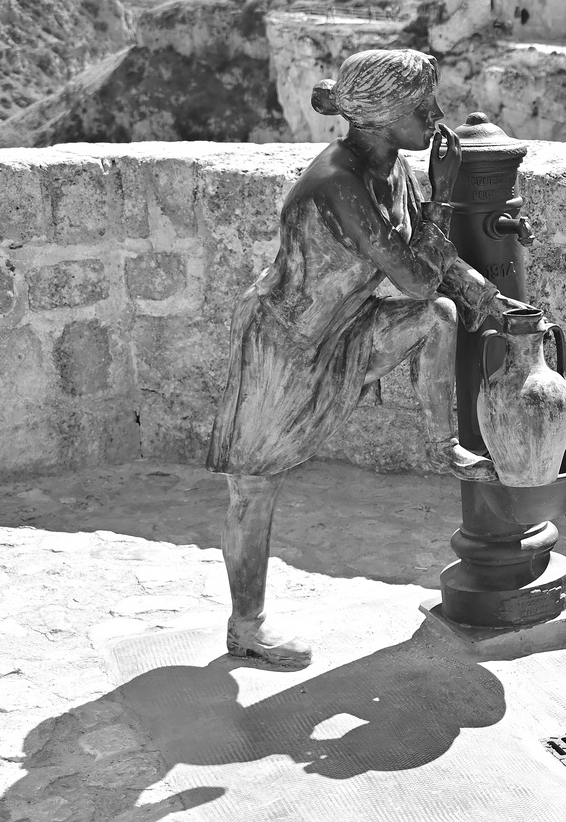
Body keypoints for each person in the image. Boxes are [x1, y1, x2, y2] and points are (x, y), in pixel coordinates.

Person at [207, 49, 525, 671]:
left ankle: (445, 443)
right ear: (381, 118)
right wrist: (445, 195)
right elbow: (410, 274)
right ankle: (246, 626)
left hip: (345, 326)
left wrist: (478, 290)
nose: (435, 117)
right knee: (253, 488)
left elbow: (427, 271)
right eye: (421, 107)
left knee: (441, 317)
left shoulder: (391, 170)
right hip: (285, 344)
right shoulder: (339, 183)